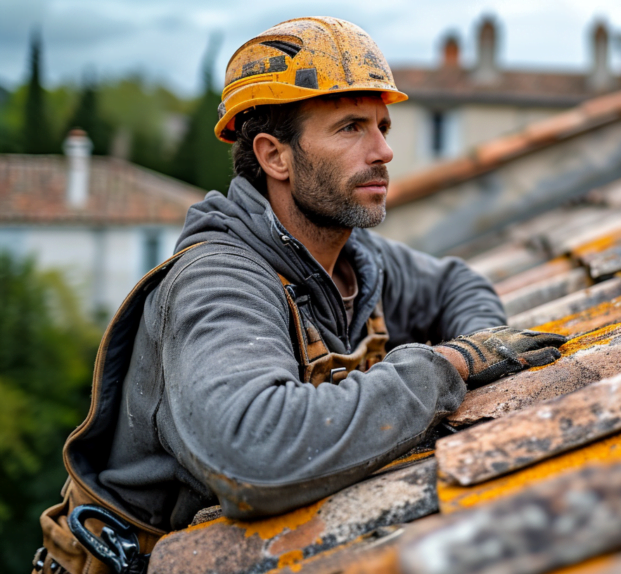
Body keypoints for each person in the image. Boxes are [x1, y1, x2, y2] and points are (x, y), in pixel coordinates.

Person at [34, 17, 567, 574]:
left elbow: (458, 284)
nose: (384, 150)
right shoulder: (219, 283)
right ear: (274, 156)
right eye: (351, 127)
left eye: (383, 125)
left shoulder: (357, 259)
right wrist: (447, 366)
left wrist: (482, 345)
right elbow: (252, 453)